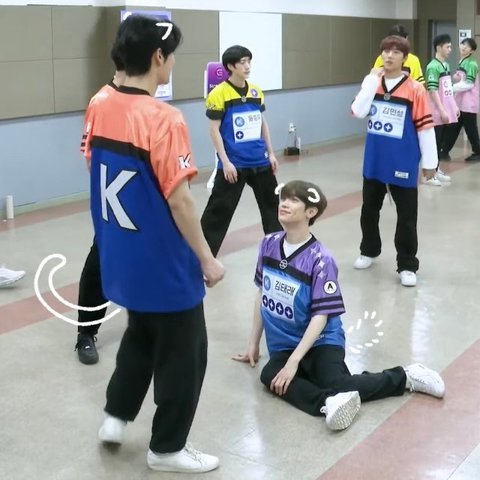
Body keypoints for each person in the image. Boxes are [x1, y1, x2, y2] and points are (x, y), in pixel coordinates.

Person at [82, 15, 225, 473]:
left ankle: (116, 415)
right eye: (172, 55)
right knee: (186, 353)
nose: (173, 63)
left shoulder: (99, 102)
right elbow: (181, 201)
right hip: (164, 262)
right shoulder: (163, 118)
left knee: (141, 333)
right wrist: (207, 259)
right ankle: (167, 448)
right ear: (158, 57)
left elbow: (91, 162)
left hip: (119, 253)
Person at [233, 180, 445, 431]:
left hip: (322, 341)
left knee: (337, 383)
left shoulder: (321, 259)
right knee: (269, 375)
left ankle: (406, 376)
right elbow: (262, 293)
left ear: (310, 212)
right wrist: (253, 343)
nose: (284, 204)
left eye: (293, 200)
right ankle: (329, 403)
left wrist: (294, 362)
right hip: (284, 344)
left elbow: (320, 316)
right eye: (283, 199)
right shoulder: (268, 244)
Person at [351, 35, 437, 287]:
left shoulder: (415, 89)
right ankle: (368, 250)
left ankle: (407, 264)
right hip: (375, 160)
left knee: (407, 216)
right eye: (386, 51)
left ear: (405, 58)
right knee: (369, 210)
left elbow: (425, 128)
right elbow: (358, 111)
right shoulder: (372, 84)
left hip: (403, 161)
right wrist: (370, 81)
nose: (389, 56)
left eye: (396, 52)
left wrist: (430, 162)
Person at [201, 45, 282, 257]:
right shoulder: (219, 94)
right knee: (218, 212)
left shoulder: (256, 91)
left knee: (273, 209)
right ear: (231, 66)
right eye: (242, 62)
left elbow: (262, 123)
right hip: (233, 165)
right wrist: (225, 161)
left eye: (249, 61)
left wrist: (271, 153)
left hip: (260, 161)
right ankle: (201, 259)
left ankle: (277, 256)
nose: (247, 66)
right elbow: (214, 130)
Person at [75, 67, 126, 365]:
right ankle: (86, 333)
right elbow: (90, 155)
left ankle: (150, 327)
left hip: (144, 199)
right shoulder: (102, 101)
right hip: (114, 199)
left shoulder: (147, 102)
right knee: (100, 260)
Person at [425, 33, 459, 184]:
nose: (450, 49)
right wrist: (442, 110)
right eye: (447, 47)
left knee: (440, 144)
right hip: (436, 112)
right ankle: (429, 175)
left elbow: (448, 89)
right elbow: (433, 91)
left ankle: (436, 169)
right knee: (434, 144)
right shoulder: (432, 66)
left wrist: (454, 106)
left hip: (446, 111)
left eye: (450, 47)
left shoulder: (446, 65)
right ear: (438, 48)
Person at [441, 37, 480, 162]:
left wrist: (452, 88)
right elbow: (461, 77)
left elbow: (469, 83)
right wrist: (456, 78)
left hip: (469, 103)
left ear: (472, 51)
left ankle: (477, 152)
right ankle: (444, 151)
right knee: (453, 126)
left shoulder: (472, 64)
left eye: (467, 46)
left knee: (470, 129)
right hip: (460, 102)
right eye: (462, 44)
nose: (463, 47)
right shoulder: (462, 61)